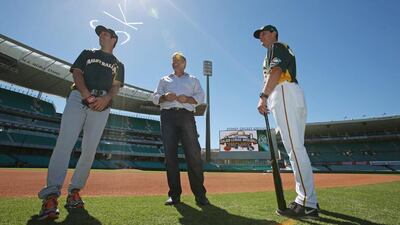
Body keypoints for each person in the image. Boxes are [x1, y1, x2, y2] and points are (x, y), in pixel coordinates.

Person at [37, 25, 124, 220]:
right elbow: (77, 73)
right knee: (64, 143)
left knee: (89, 149)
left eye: (105, 33)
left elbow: (115, 87)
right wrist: (85, 94)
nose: (101, 35)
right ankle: (51, 195)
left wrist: (106, 99)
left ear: (114, 39)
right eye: (100, 33)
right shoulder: (87, 53)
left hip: (102, 103)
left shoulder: (118, 64)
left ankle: (74, 192)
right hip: (79, 97)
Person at [253, 25, 318, 219]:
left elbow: (277, 70)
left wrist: (263, 96)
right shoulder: (279, 48)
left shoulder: (276, 46)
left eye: (264, 33)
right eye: (260, 36)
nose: (261, 38)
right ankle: (304, 199)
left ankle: (308, 203)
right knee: (296, 149)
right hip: (290, 93)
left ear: (274, 33)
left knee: (295, 150)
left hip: (283, 93)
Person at [152, 52, 209, 206]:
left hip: (186, 116)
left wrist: (188, 99)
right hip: (167, 116)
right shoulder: (164, 80)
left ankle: (200, 195)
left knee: (194, 156)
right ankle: (174, 195)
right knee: (170, 157)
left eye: (177, 61)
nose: (174, 64)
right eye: (173, 62)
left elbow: (201, 97)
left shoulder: (193, 79)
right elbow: (155, 97)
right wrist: (165, 97)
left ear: (184, 63)